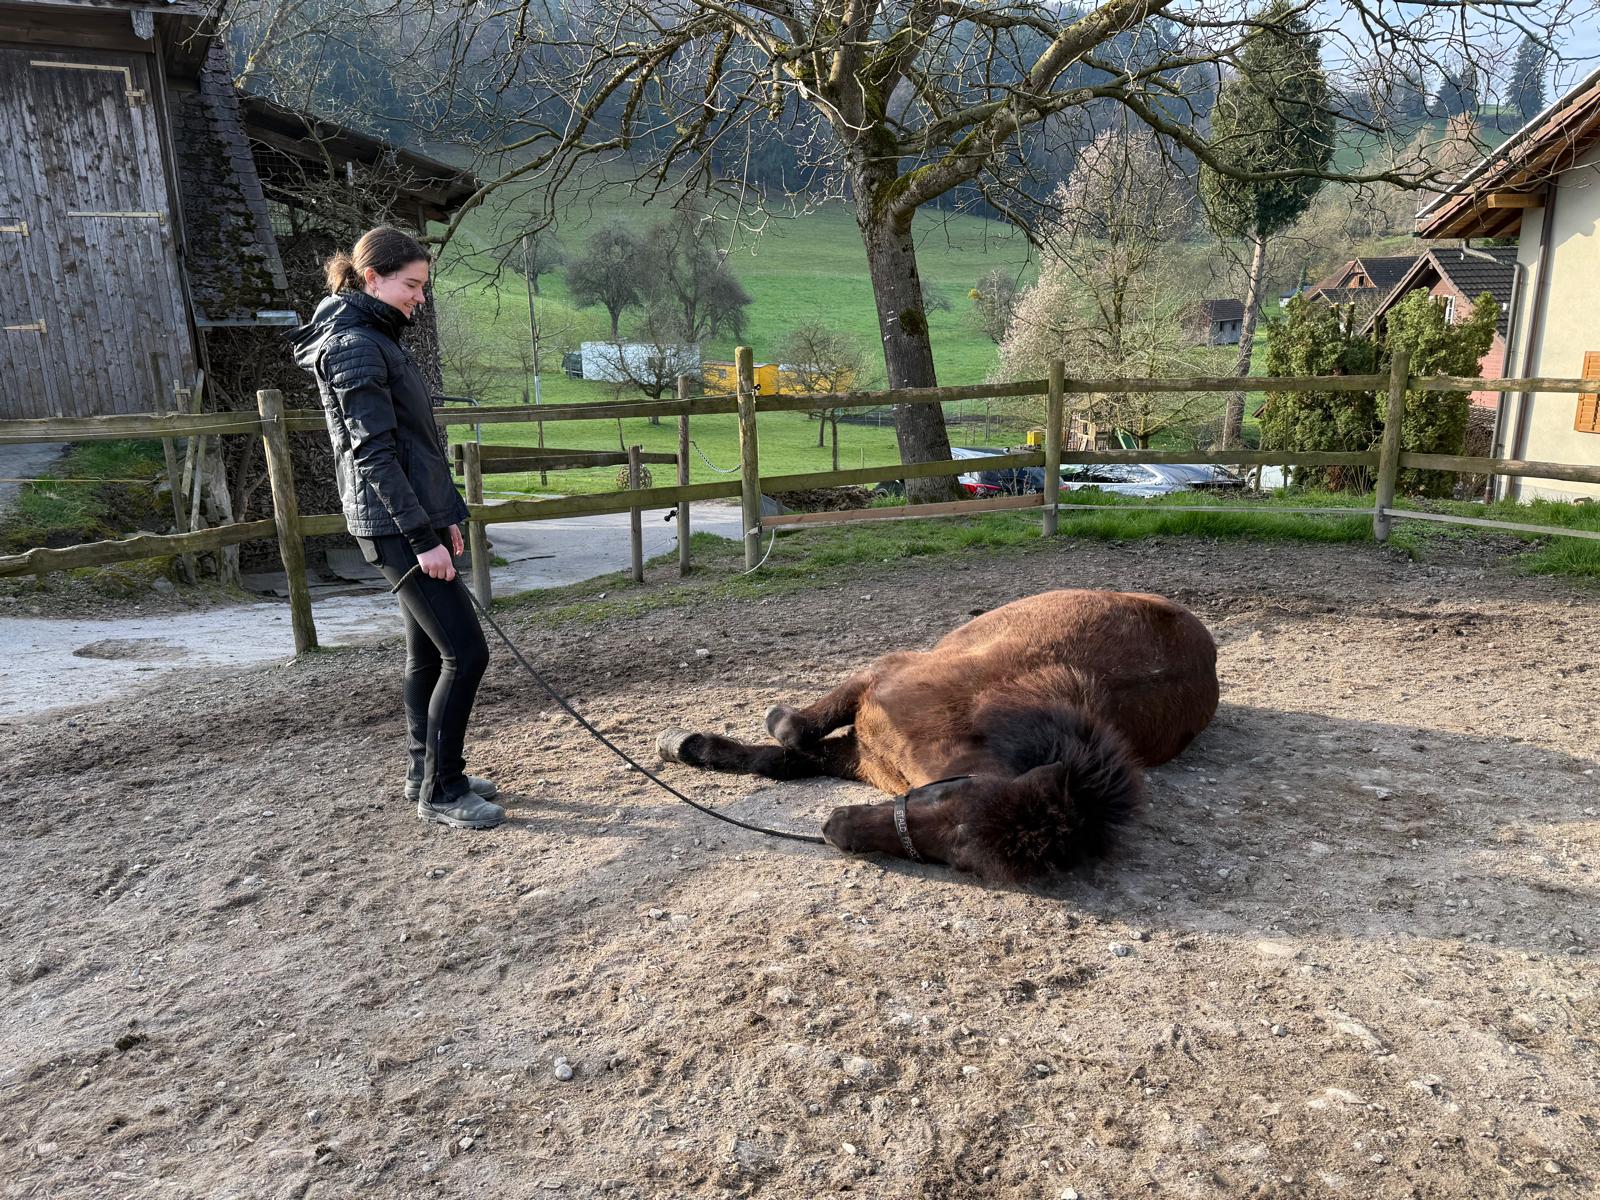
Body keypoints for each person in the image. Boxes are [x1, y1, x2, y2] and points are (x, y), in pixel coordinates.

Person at [291, 225, 504, 830]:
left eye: (423, 286)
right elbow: (374, 455)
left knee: (429, 653)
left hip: (412, 519)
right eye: (411, 285)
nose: (420, 298)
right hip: (394, 526)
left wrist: (447, 517)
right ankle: (441, 789)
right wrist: (421, 538)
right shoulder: (355, 345)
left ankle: (426, 770)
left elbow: (420, 445)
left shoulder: (377, 336)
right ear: (372, 279)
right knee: (466, 652)